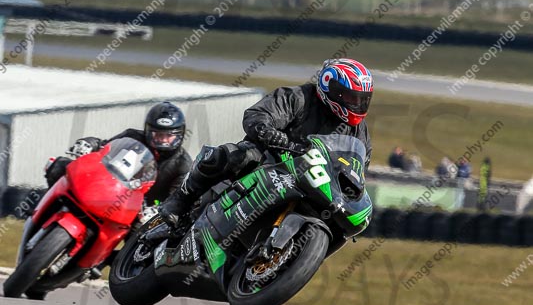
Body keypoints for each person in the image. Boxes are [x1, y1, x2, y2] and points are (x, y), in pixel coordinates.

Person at [159, 58, 374, 228]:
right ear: (331, 87)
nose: (357, 104)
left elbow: (359, 166)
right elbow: (257, 115)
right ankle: (181, 200)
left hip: (313, 181)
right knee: (236, 155)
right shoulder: (298, 98)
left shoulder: (358, 130)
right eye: (351, 97)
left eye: (362, 99)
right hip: (271, 159)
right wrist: (272, 134)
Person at [45, 102, 192, 207]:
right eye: (158, 134)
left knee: (142, 238)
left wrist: (156, 210)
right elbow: (105, 146)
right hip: (108, 189)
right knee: (58, 165)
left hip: (141, 211)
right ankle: (45, 210)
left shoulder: (183, 164)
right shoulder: (132, 136)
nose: (163, 140)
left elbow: (176, 199)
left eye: (168, 135)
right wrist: (88, 144)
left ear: (179, 135)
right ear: (148, 130)